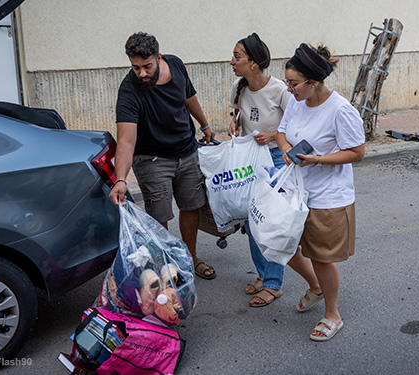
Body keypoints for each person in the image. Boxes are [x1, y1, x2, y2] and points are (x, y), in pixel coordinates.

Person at [109, 32, 217, 280]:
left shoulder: (176, 64)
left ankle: (189, 257)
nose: (142, 73)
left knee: (191, 206)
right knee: (160, 217)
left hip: (187, 150)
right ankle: (167, 264)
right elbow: (126, 139)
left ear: (158, 57)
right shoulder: (129, 90)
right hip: (152, 158)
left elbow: (188, 96)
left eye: (147, 66)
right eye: (136, 67)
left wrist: (204, 124)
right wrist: (121, 179)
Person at [276, 43, 365, 341]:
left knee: (320, 257)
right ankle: (315, 286)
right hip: (295, 191)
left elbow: (357, 152)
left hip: (327, 196)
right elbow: (281, 132)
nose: (289, 89)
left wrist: (318, 160)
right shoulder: (297, 103)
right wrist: (287, 150)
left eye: (293, 83)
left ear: (313, 82)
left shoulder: (341, 110)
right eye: (287, 82)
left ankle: (332, 314)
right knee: (283, 246)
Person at [227, 32, 292, 307]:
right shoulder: (239, 86)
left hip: (275, 159)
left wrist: (273, 135)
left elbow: (296, 128)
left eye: (237, 56)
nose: (232, 61)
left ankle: (274, 284)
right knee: (251, 220)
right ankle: (264, 275)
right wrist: (234, 123)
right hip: (249, 159)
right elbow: (238, 112)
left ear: (254, 63)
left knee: (270, 222)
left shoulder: (280, 90)